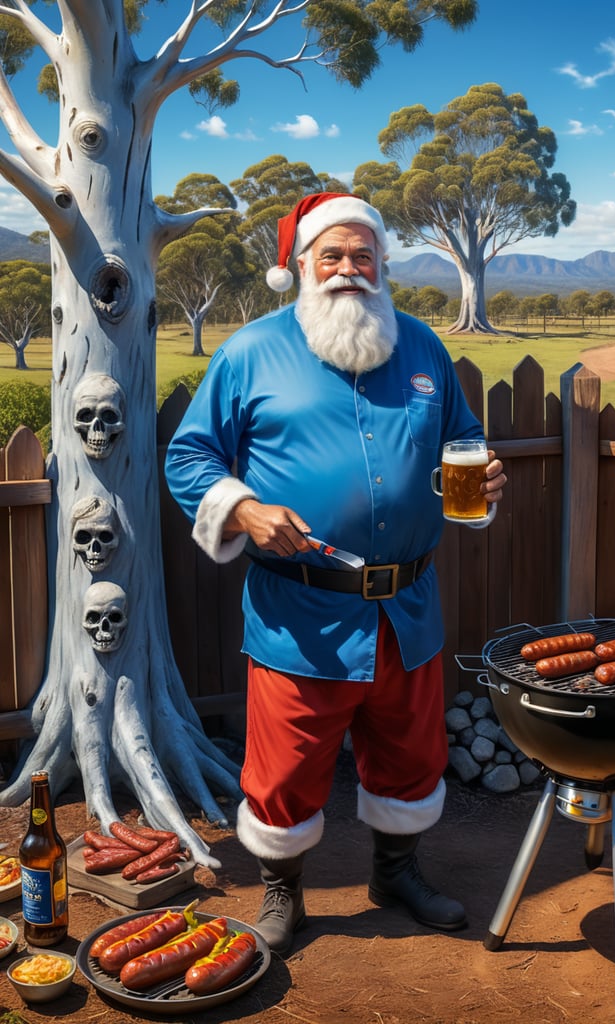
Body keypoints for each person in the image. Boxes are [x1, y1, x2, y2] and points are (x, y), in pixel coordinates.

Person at [164, 192, 506, 956]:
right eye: (333, 256)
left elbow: (465, 438)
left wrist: (483, 480)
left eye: (363, 256)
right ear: (300, 266)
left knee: (411, 755)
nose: (350, 269)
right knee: (285, 766)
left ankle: (397, 872)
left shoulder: (421, 348)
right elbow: (188, 457)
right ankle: (284, 894)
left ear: (381, 266)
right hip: (300, 616)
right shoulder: (250, 351)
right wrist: (244, 508)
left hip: (407, 610)